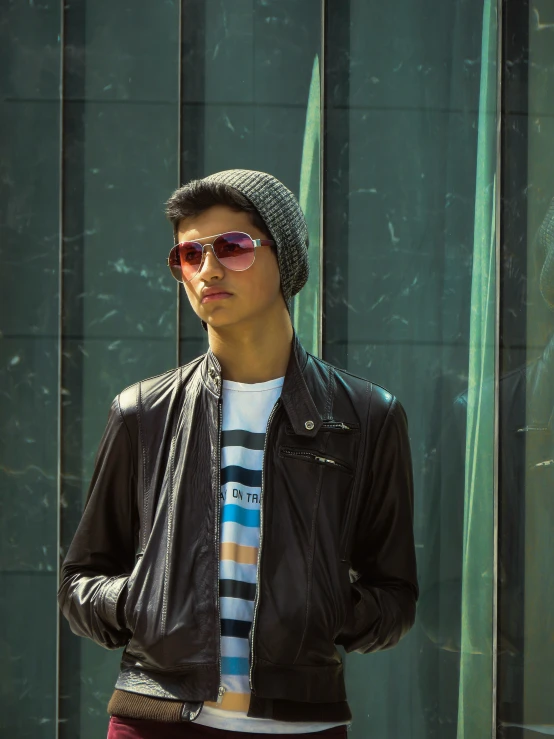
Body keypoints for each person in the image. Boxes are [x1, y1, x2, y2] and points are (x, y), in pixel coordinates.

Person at [58, 169, 419, 738]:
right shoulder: (142, 412)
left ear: (287, 261)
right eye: (188, 254)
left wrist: (326, 610)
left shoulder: (366, 417)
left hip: (302, 724)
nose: (208, 270)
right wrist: (140, 599)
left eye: (233, 247)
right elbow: (80, 580)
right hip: (154, 719)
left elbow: (395, 596)